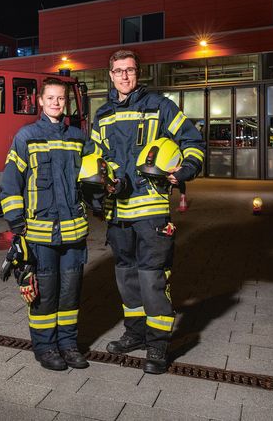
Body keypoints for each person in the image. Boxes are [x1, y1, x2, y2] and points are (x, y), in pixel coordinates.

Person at [92, 49, 205, 374]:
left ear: (138, 73)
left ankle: (157, 344)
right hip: (118, 214)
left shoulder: (161, 107)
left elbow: (192, 141)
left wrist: (184, 170)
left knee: (153, 277)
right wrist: (98, 191)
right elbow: (96, 161)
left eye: (129, 70)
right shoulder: (102, 116)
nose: (124, 76)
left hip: (151, 213)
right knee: (126, 276)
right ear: (110, 76)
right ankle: (135, 333)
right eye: (118, 71)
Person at [0, 77, 97, 372]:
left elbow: (92, 180)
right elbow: (10, 183)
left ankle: (68, 344)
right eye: (51, 98)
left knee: (70, 294)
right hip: (39, 234)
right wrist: (17, 226)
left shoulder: (79, 137)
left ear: (66, 102)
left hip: (73, 234)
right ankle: (45, 347)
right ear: (40, 101)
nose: (56, 103)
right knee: (45, 293)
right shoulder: (26, 136)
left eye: (61, 99)